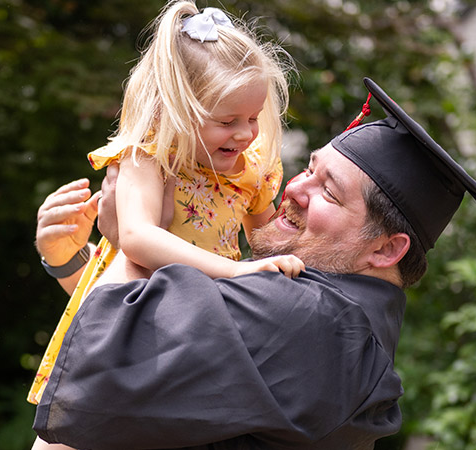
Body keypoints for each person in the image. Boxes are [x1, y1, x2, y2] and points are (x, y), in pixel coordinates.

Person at [30, 77, 476, 449]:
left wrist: (129, 230)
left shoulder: (307, 315)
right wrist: (72, 264)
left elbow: (111, 351)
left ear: (385, 250)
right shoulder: (343, 318)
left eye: (328, 192)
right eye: (309, 169)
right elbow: (162, 325)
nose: (293, 189)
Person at [28, 1, 304, 406]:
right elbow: (137, 238)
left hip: (197, 329)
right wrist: (236, 272)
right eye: (227, 121)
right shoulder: (150, 157)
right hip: (121, 326)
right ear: (174, 109)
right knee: (73, 426)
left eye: (254, 117)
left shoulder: (253, 168)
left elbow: (268, 247)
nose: (246, 133)